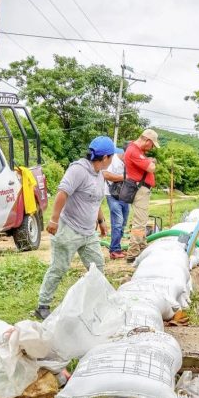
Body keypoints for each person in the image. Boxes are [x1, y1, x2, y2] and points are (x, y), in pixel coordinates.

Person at [34, 136, 115, 320]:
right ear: (104, 158)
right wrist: (53, 220)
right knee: (59, 267)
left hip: (88, 233)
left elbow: (94, 200)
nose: (112, 160)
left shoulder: (99, 174)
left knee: (97, 266)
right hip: (68, 229)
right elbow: (62, 193)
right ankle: (43, 305)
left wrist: (101, 221)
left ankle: (96, 303)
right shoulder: (78, 170)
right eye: (111, 157)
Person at [124, 128, 159, 260]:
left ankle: (142, 247)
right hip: (140, 190)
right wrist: (151, 161)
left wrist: (148, 159)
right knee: (139, 222)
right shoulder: (133, 150)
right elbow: (151, 167)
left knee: (142, 220)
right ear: (147, 140)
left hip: (142, 189)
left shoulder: (137, 151)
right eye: (152, 144)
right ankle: (132, 253)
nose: (152, 148)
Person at [102, 147, 128, 259]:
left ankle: (117, 246)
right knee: (118, 222)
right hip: (112, 195)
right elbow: (105, 174)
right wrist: (123, 178)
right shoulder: (113, 160)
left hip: (124, 195)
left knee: (123, 223)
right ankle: (114, 250)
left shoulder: (128, 163)